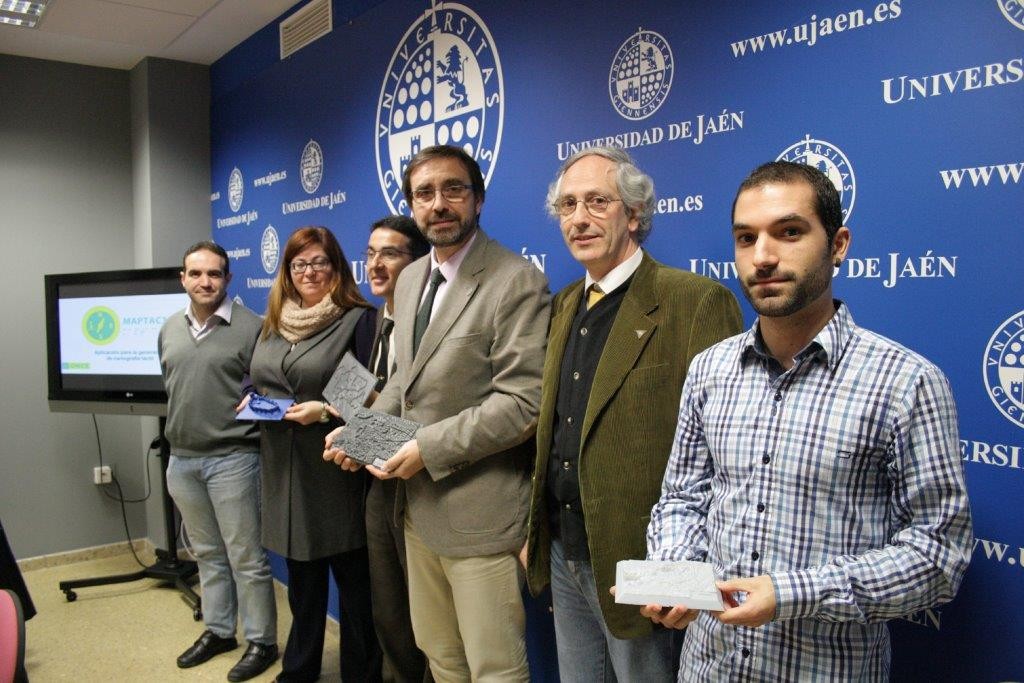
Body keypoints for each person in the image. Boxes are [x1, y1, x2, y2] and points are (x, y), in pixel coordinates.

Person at [642, 161, 973, 680]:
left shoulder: (907, 382)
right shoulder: (710, 369)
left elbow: (939, 555)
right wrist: (677, 571)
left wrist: (791, 593)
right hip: (708, 666)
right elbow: (682, 498)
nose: (763, 257)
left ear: (838, 244)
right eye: (746, 238)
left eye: (789, 232)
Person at [325, 145, 551, 681]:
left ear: (478, 200)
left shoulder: (515, 279)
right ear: (412, 203)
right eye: (424, 193)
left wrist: (425, 448)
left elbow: (523, 403)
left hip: (480, 513)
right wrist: (362, 435)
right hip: (416, 510)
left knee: (494, 665)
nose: (439, 204)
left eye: (453, 189)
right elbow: (405, 379)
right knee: (440, 655)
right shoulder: (409, 279)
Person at [523, 147, 743, 682]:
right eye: (568, 205)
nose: (580, 218)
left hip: (646, 565)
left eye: (598, 201)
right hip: (563, 549)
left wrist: (693, 566)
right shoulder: (564, 304)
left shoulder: (694, 301)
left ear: (635, 214)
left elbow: (726, 450)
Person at [249, 226, 381, 683]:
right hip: (284, 475)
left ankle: (361, 674)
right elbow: (254, 380)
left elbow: (368, 392)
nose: (309, 272)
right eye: (299, 264)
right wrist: (253, 400)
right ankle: (299, 671)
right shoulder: (273, 322)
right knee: (302, 590)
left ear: (337, 268)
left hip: (335, 471)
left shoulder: (357, 319)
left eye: (319, 262)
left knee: (354, 590)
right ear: (287, 271)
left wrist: (323, 412)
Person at [159, 240, 278, 681]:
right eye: (196, 274)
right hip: (183, 460)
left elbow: (271, 396)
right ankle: (220, 630)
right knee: (207, 553)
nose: (204, 282)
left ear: (228, 279)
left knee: (245, 557)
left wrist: (248, 410)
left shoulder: (253, 327)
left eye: (214, 274)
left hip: (234, 459)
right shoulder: (169, 328)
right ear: (183, 279)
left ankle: (262, 641)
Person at [362, 215, 432, 682]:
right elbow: (354, 397)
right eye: (370, 254)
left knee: (429, 619)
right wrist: (349, 429)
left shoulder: (430, 321)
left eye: (389, 253)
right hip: (376, 482)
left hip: (423, 481)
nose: (376, 264)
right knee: (387, 612)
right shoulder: (370, 322)